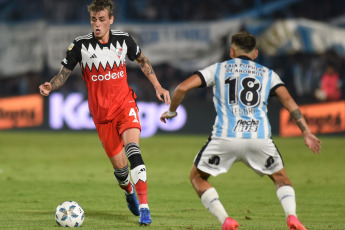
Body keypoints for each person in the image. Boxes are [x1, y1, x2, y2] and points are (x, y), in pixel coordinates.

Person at [160, 31, 321, 230]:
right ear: (255, 54)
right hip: (259, 138)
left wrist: (171, 111)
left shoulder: (219, 69)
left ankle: (226, 220)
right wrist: (306, 131)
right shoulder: (268, 74)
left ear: (232, 52)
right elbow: (289, 102)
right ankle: (292, 217)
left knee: (197, 177)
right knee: (281, 178)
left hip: (226, 137)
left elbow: (181, 89)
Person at [39, 0, 171, 225]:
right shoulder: (80, 46)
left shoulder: (124, 40)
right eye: (93, 20)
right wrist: (52, 85)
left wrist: (158, 86)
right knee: (121, 171)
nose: (97, 24)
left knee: (134, 151)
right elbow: (63, 73)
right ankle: (128, 190)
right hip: (102, 116)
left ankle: (145, 209)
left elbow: (142, 60)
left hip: (125, 105)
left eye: (101, 19)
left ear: (110, 19)